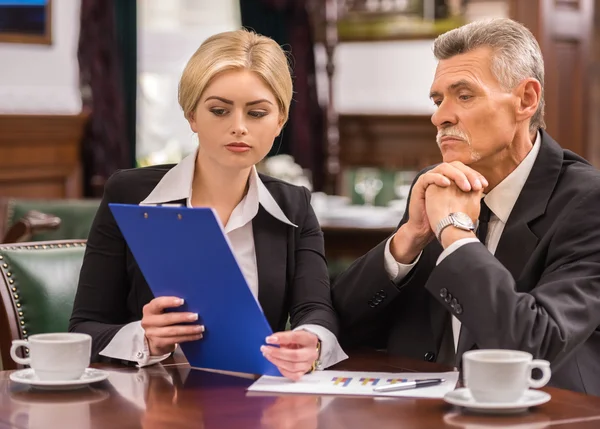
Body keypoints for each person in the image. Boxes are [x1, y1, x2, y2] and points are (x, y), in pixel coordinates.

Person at [332, 18, 600, 395]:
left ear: (526, 100)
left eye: (465, 95)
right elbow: (339, 328)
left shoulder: (587, 202)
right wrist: (407, 241)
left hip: (543, 414)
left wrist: (455, 232)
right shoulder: (438, 184)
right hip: (422, 412)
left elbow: (533, 348)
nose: (439, 116)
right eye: (438, 99)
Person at [69, 29, 347, 380]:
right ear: (191, 115)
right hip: (150, 401)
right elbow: (84, 329)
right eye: (219, 110)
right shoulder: (129, 193)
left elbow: (316, 311)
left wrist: (312, 342)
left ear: (280, 121)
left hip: (253, 396)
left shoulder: (293, 205)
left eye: (257, 113)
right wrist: (145, 337)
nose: (238, 128)